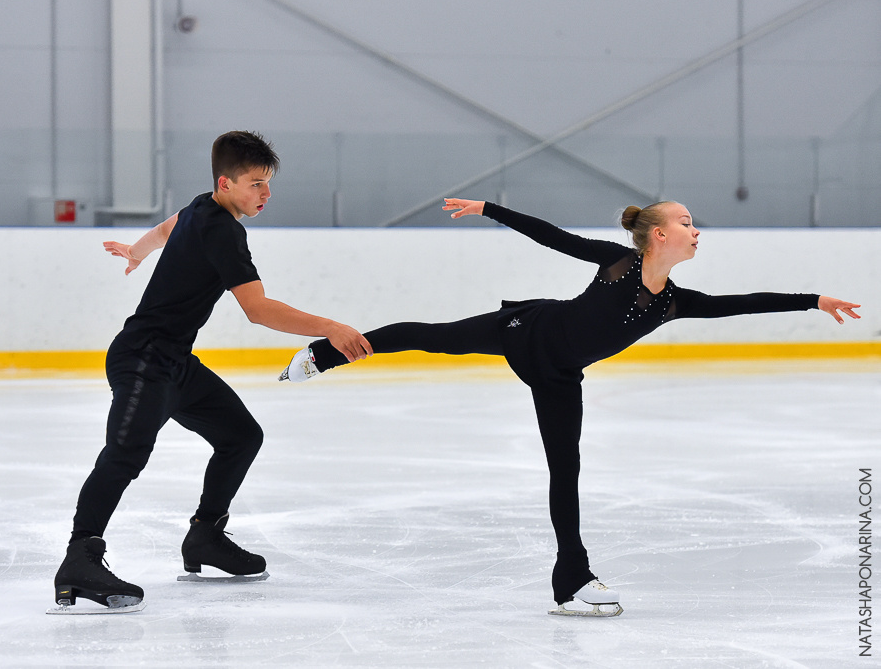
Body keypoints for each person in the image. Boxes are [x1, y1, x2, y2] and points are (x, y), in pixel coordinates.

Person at [280, 197, 861, 617]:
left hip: (559, 375)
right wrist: (490, 208)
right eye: (685, 222)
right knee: (432, 333)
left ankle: (571, 579)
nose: (694, 229)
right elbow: (551, 236)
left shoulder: (675, 303)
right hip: (523, 330)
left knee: (567, 471)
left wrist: (813, 300)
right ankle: (327, 354)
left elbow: (745, 304)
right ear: (658, 235)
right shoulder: (615, 263)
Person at [52, 131, 372, 613]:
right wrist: (330, 328)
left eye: (268, 184)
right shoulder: (223, 228)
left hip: (175, 361)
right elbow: (258, 309)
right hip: (143, 359)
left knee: (241, 435)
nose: (266, 195)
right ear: (226, 183)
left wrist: (138, 252)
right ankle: (79, 560)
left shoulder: (202, 206)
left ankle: (204, 538)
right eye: (256, 184)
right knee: (126, 454)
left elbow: (166, 229)